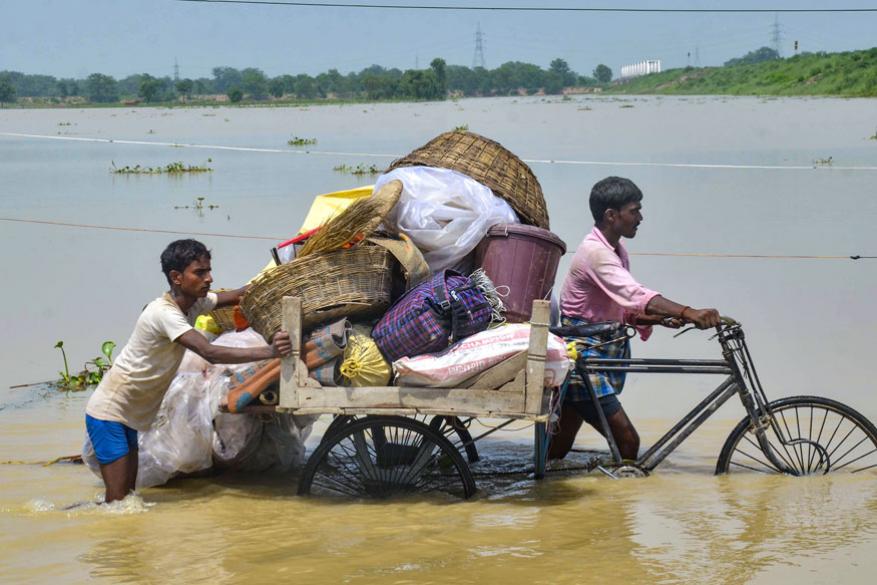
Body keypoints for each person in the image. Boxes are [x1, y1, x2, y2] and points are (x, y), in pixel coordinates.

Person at [84, 239, 292, 503]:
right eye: (200, 272)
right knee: (118, 502)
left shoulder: (194, 304)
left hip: (130, 416)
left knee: (128, 499)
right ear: (176, 277)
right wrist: (270, 352)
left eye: (209, 270)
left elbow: (237, 294)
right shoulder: (164, 313)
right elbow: (210, 352)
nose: (209, 278)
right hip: (109, 413)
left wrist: (280, 278)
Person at [547, 177, 720, 461]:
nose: (640, 218)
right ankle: (621, 503)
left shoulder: (616, 251)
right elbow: (635, 294)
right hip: (583, 360)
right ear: (611, 215)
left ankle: (539, 494)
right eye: (634, 210)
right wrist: (689, 311)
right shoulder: (596, 254)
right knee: (628, 442)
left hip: (595, 355)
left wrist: (658, 319)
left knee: (558, 447)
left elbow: (621, 308)